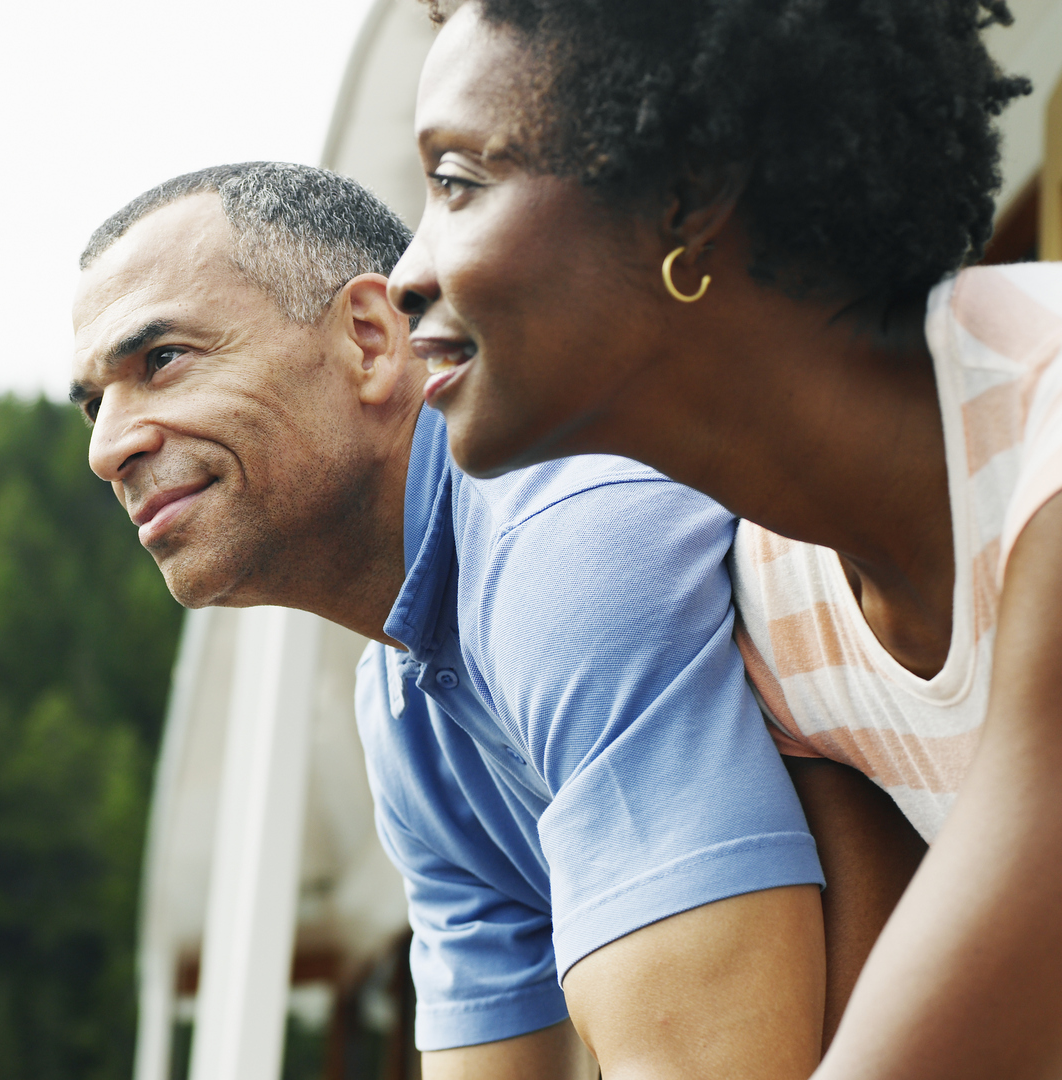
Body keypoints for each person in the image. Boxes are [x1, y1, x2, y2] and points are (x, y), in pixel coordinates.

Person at [383, 1, 1062, 1077]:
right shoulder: (780, 611)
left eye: (459, 180)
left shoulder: (1048, 435)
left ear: (688, 196)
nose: (403, 275)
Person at [71, 162, 859, 1078]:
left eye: (160, 361)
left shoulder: (557, 537)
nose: (104, 448)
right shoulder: (404, 709)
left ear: (370, 340)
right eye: (95, 404)